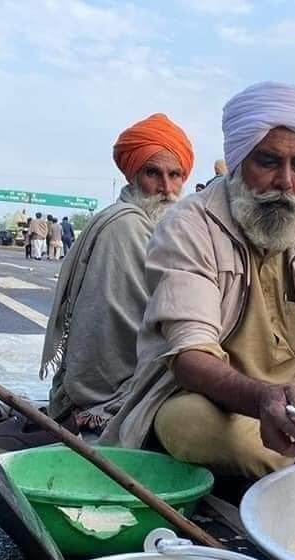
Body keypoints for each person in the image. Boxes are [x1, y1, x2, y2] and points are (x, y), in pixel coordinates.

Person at [105, 81, 295, 480]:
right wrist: (263, 398)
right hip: (221, 401)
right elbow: (191, 357)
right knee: (188, 422)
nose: (286, 182)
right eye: (268, 162)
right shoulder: (189, 225)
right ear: (239, 160)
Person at [36, 112, 195, 435]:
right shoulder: (127, 226)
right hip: (109, 391)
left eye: (175, 175)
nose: (166, 188)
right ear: (133, 176)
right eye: (154, 173)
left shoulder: (157, 226)